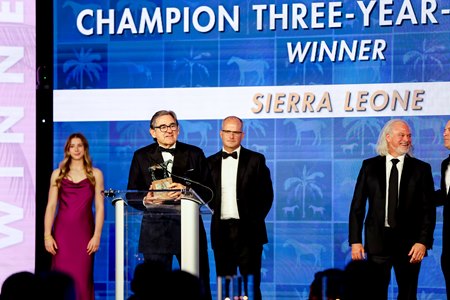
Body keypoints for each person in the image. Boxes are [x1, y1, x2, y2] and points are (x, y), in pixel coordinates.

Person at [127, 110, 212, 299]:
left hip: (188, 230)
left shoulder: (194, 153)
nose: (168, 130)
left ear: (178, 129)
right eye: (162, 127)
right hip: (155, 232)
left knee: (198, 286)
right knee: (154, 290)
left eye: (172, 125)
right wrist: (145, 200)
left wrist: (187, 189)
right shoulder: (141, 156)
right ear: (152, 132)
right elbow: (131, 193)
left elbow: (209, 191)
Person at [348, 119, 436, 300]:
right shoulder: (369, 166)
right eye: (401, 135)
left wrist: (423, 242)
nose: (406, 139)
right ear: (388, 137)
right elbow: (357, 206)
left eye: (409, 135)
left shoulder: (422, 169)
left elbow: (428, 210)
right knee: (375, 294)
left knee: (408, 294)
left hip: (411, 246)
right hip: (377, 243)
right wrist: (355, 241)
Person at [207, 116, 274, 300]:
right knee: (225, 287)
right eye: (227, 131)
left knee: (251, 287)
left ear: (242, 135)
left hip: (250, 233)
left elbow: (266, 196)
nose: (231, 136)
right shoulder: (209, 162)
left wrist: (253, 221)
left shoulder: (256, 160)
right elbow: (204, 195)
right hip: (221, 232)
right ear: (221, 133)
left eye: (236, 132)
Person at [43, 133, 105, 300]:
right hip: (62, 234)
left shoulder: (96, 174)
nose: (76, 149)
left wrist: (97, 235)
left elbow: (100, 207)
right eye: (72, 146)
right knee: (60, 279)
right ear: (67, 150)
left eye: (80, 145)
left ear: (85, 148)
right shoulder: (58, 174)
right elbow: (51, 206)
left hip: (85, 233)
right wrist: (47, 235)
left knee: (83, 279)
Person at [435, 120, 450, 297]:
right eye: (444, 129)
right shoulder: (446, 163)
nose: (444, 133)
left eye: (449, 130)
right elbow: (445, 196)